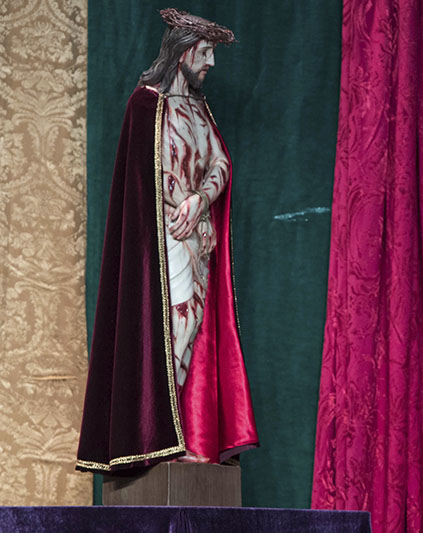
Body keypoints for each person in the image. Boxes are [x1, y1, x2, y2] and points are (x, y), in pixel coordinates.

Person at [77, 9, 258, 473]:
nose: (211, 63)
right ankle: (160, 435)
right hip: (161, 239)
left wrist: (200, 200)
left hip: (196, 236)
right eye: (206, 52)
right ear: (182, 53)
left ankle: (180, 432)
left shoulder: (199, 110)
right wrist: (180, 203)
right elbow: (145, 177)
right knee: (172, 325)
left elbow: (220, 163)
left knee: (193, 325)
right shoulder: (147, 105)